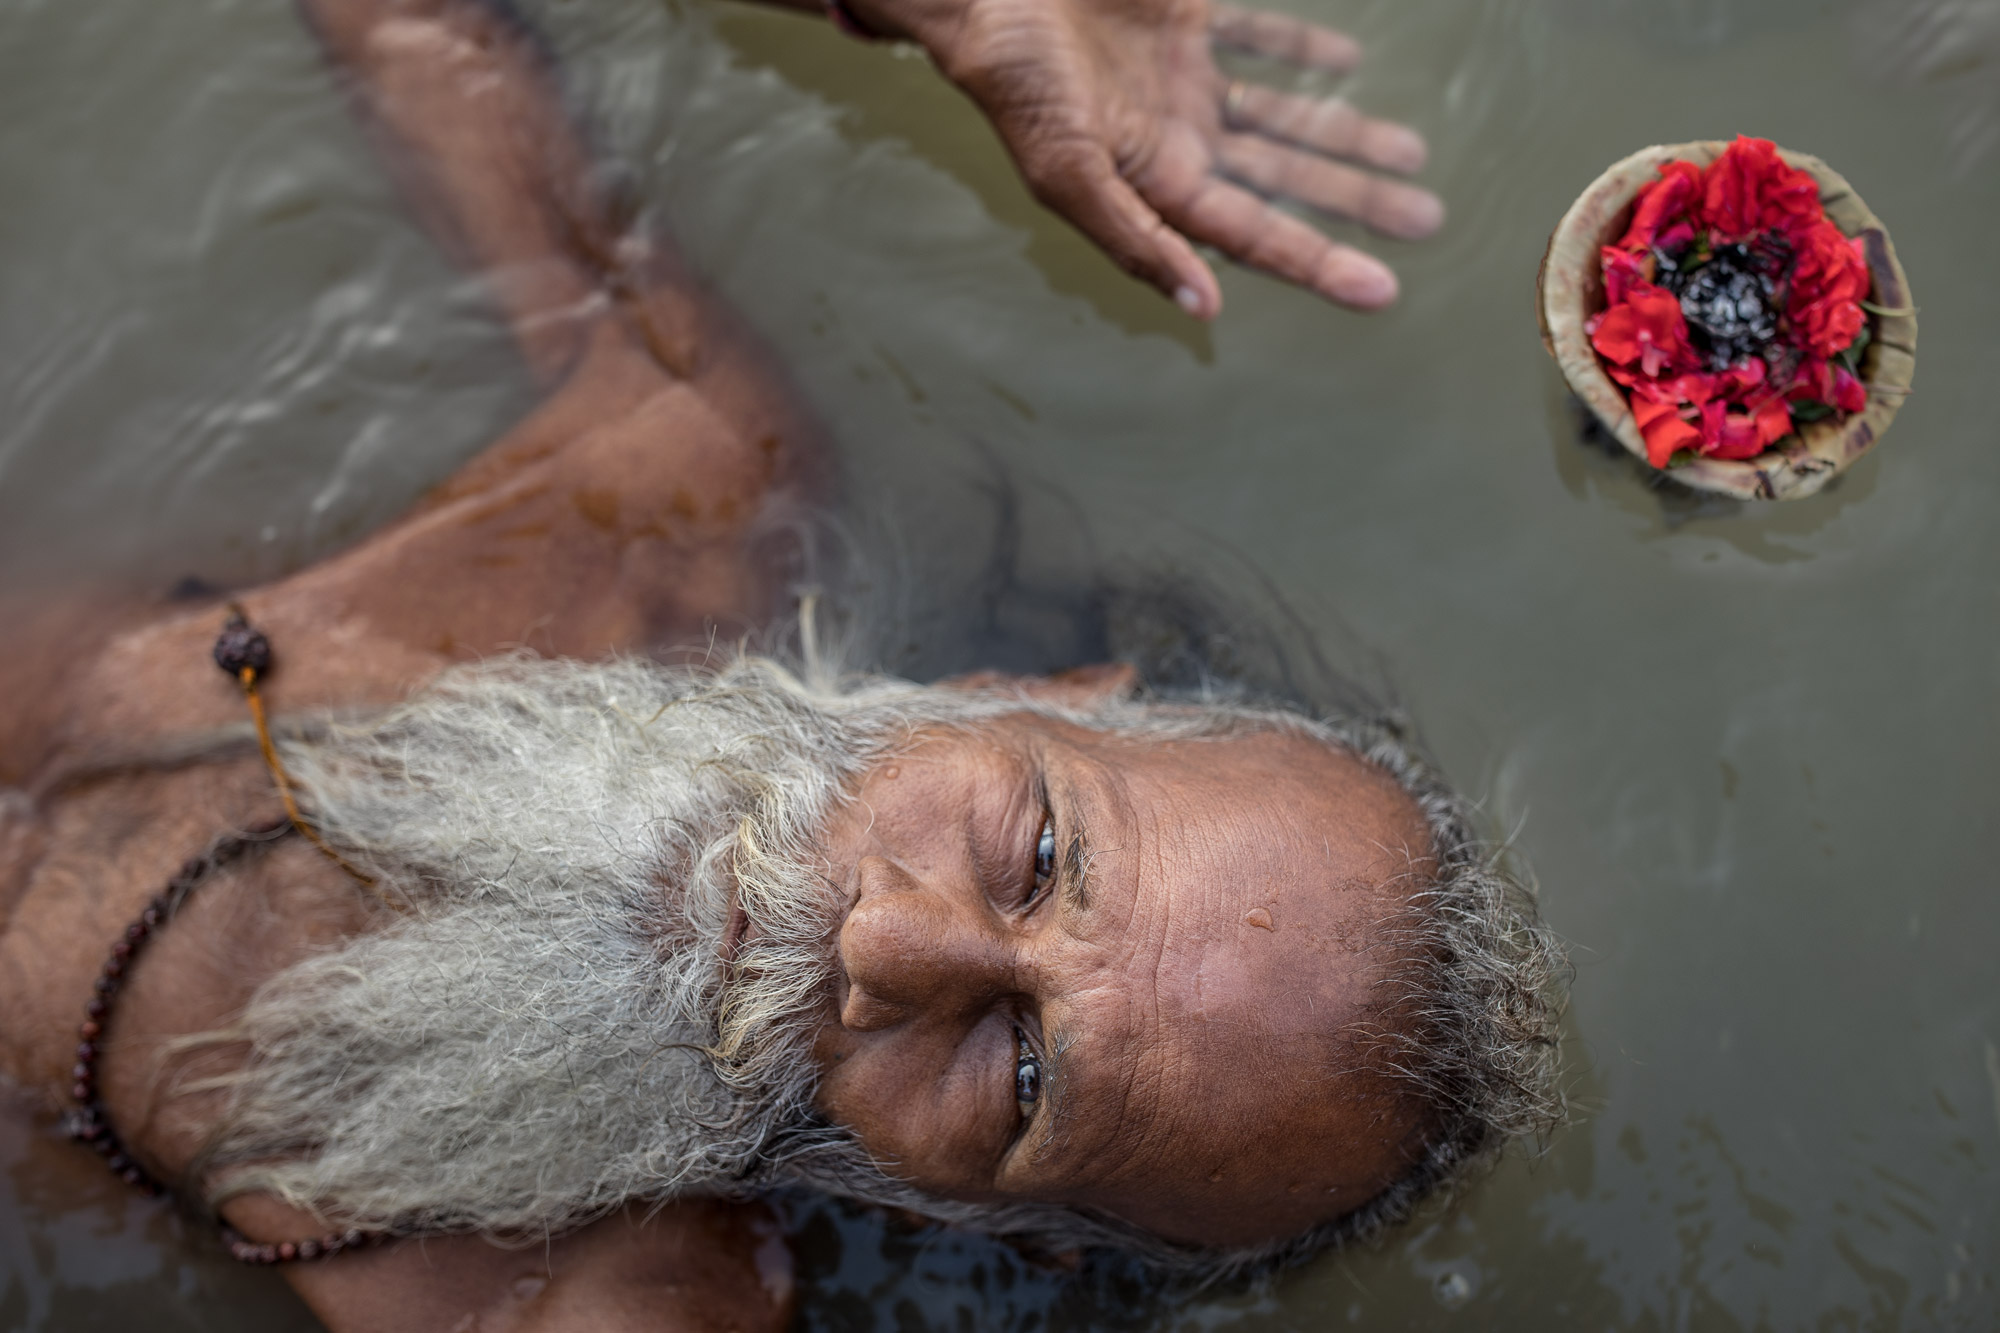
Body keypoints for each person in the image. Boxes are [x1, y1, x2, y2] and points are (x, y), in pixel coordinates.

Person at [0, 0, 1563, 1328]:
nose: (892, 942)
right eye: (1032, 850)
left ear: (1004, 1229)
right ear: (1036, 699)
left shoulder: (589, 1302)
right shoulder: (674, 480)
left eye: (1019, 1081)